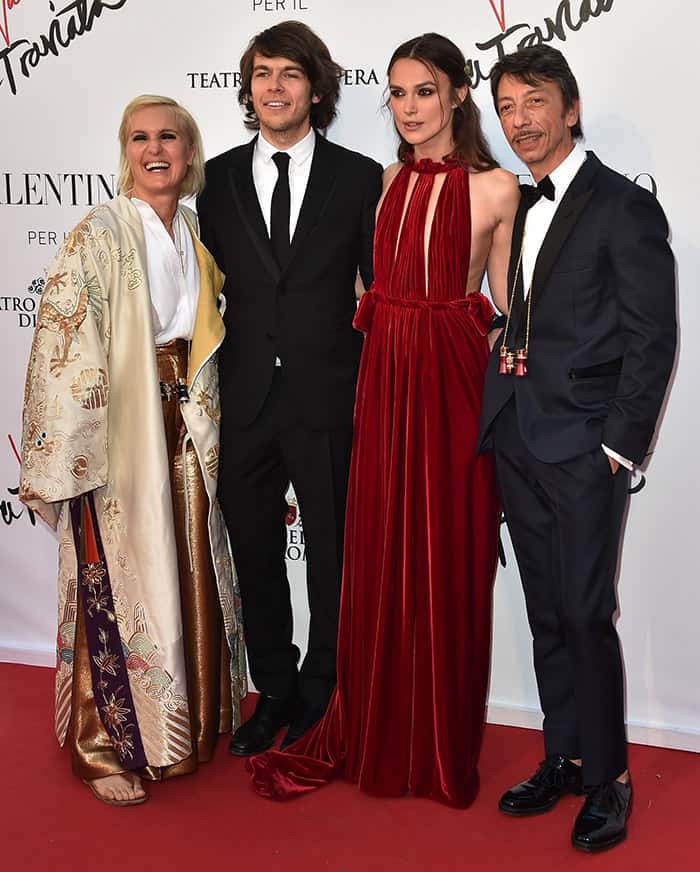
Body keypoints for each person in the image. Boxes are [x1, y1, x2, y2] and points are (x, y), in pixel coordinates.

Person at [247, 32, 519, 807]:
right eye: (397, 93)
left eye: (424, 91)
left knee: (444, 554)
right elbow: (363, 281)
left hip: (451, 382)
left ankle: (434, 741)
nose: (408, 107)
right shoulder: (387, 178)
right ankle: (372, 722)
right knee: (380, 554)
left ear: (458, 95)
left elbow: (507, 313)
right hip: (384, 381)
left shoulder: (498, 188)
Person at [19, 95, 247, 806]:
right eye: (140, 137)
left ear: (190, 150)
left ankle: (188, 725)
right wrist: (76, 455)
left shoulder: (200, 234)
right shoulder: (99, 231)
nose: (156, 149)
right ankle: (103, 747)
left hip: (188, 433)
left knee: (185, 574)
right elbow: (63, 342)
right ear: (125, 151)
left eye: (169, 137)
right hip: (121, 438)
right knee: (113, 584)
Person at [477, 46, 676, 851]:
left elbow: (651, 338)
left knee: (587, 614)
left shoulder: (623, 207)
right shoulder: (517, 204)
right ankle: (563, 754)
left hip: (584, 446)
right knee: (548, 611)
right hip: (518, 434)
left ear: (570, 106)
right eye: (507, 105)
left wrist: (618, 450)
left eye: (535, 102)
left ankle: (610, 779)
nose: (519, 120)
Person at [196, 21, 383, 755]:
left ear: (316, 87)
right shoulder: (211, 180)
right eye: (263, 74)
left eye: (290, 75)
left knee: (333, 553)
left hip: (330, 395)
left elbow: (380, 291)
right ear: (248, 88)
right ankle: (271, 687)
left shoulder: (362, 177)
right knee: (254, 552)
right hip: (242, 400)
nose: (274, 87)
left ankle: (323, 687)